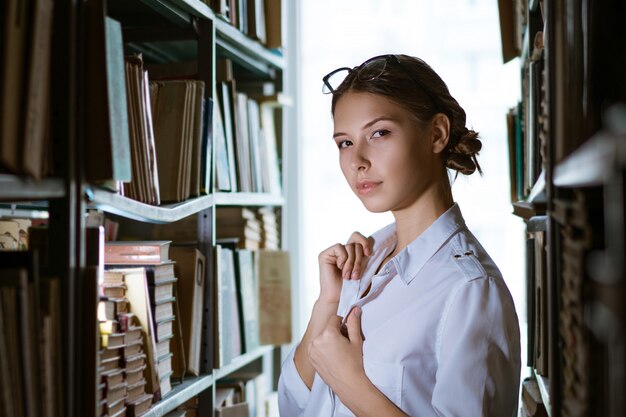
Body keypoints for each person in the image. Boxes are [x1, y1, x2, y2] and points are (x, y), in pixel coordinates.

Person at [277, 54, 521, 417]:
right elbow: (292, 404)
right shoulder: (365, 262)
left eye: (379, 133)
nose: (357, 159)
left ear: (436, 134)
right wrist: (328, 302)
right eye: (344, 142)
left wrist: (349, 381)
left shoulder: (469, 289)